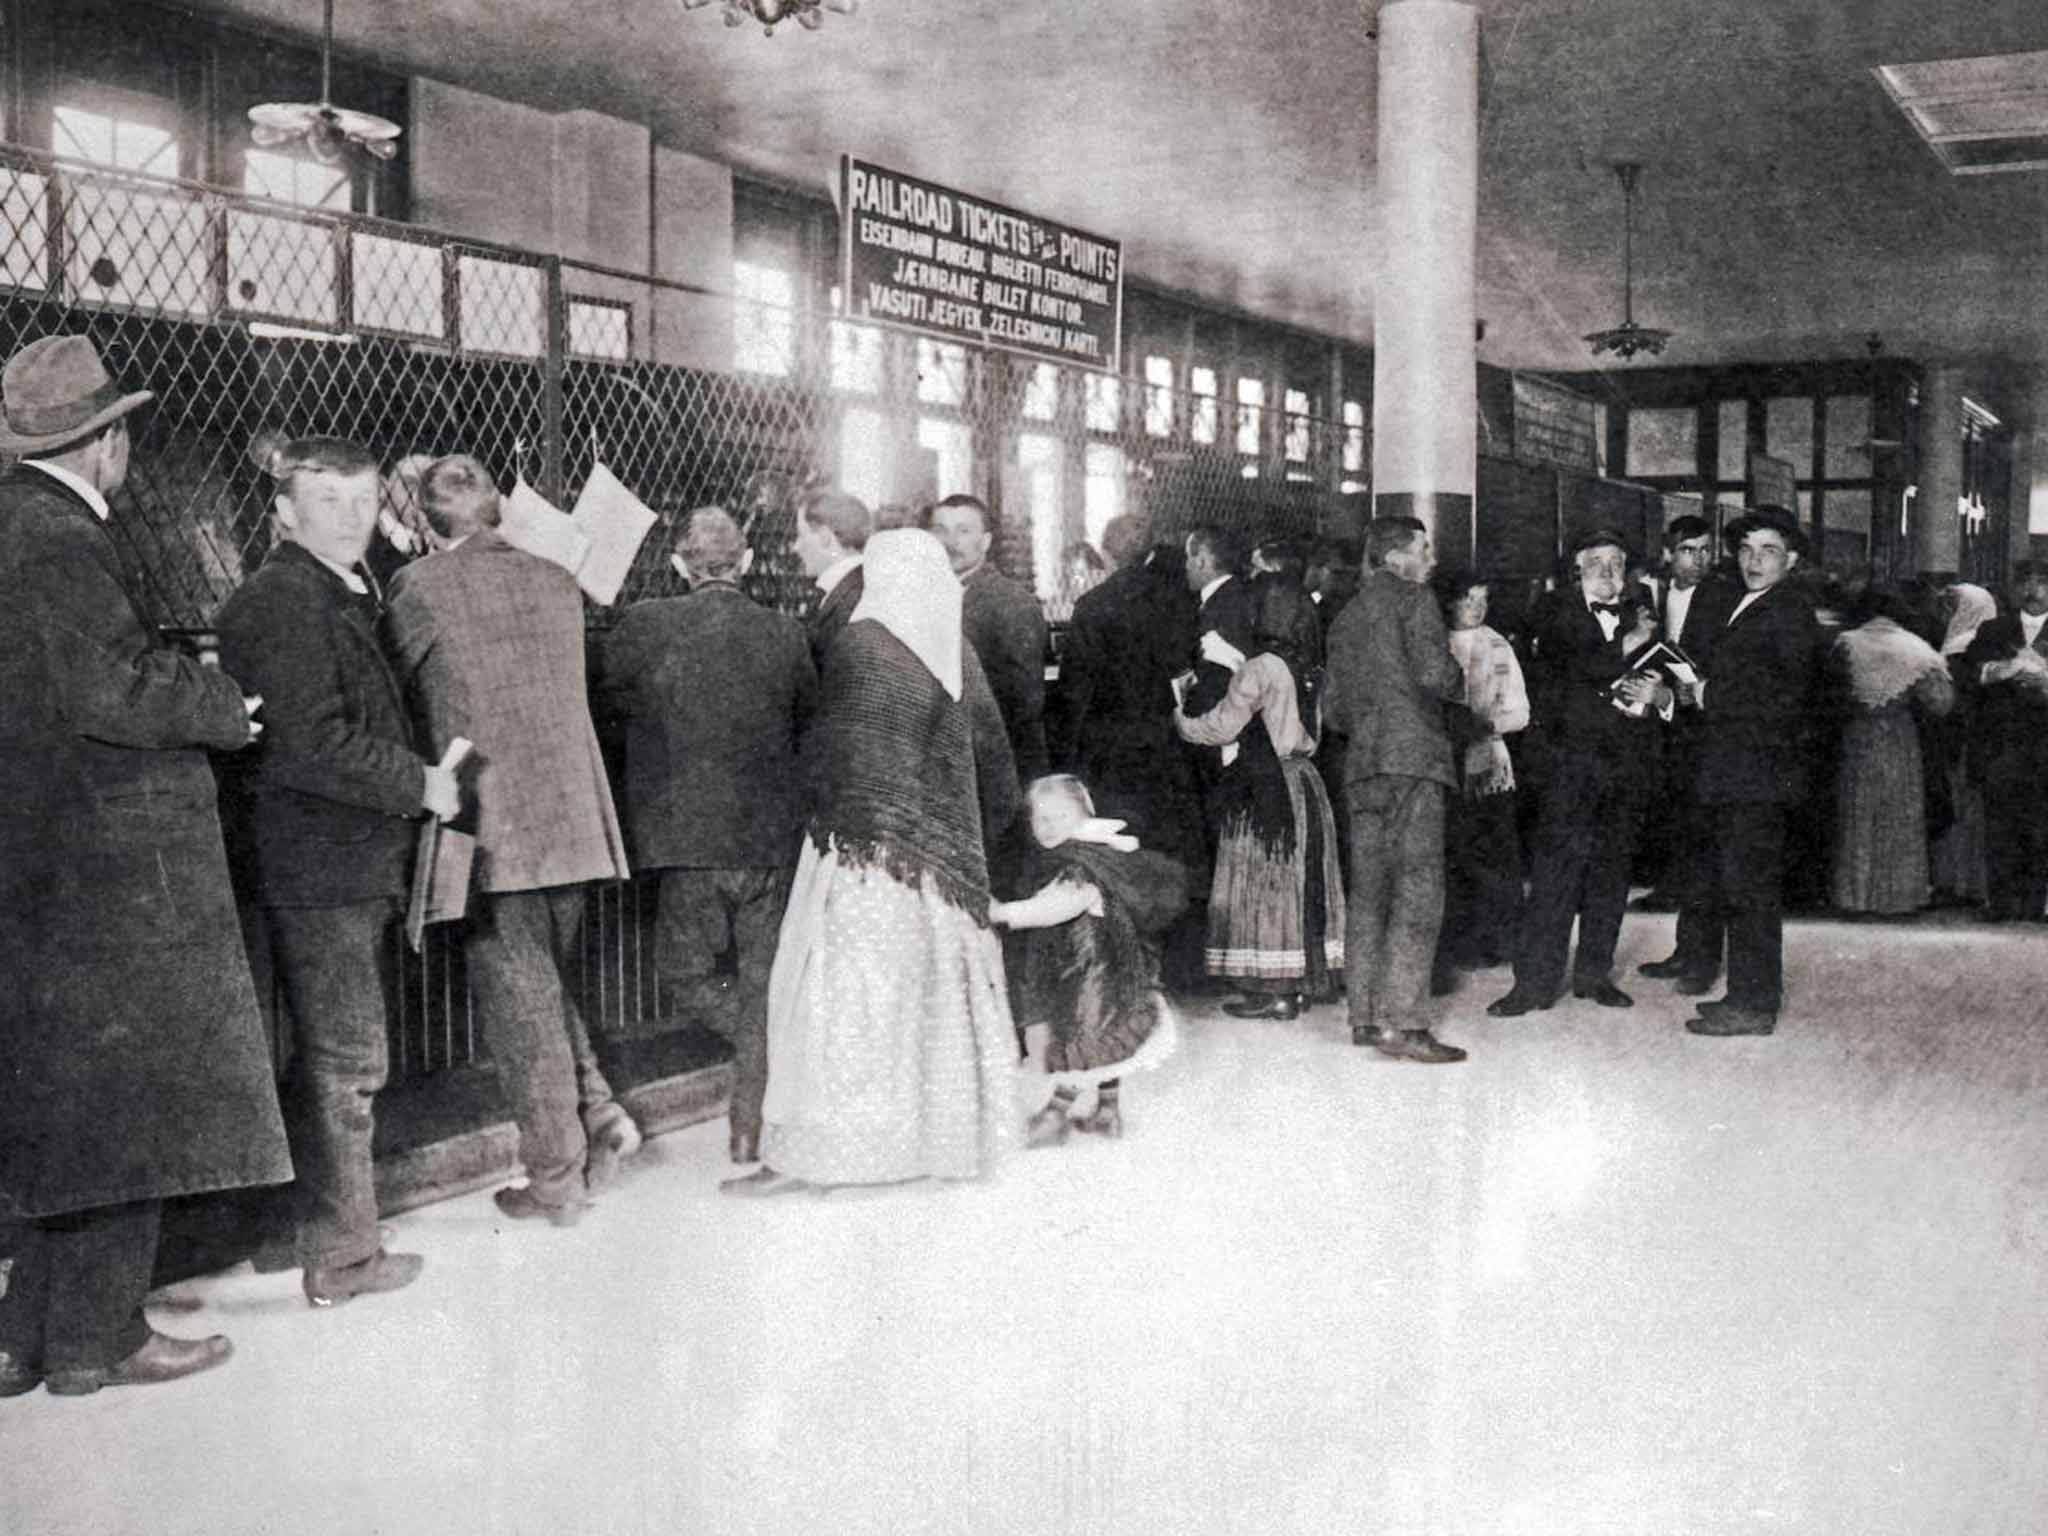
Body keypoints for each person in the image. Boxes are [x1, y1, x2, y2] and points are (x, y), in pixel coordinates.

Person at [0, 335, 291, 1395]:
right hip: (110, 865)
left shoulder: (10, 525)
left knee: (57, 1109)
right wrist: (223, 705)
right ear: (109, 440)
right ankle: (100, 1339)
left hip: (34, 856)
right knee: (138, 1103)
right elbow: (110, 690)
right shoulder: (60, 535)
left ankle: (24, 1336)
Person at [215, 435, 448, 1309]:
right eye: (327, 504)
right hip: (325, 864)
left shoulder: (334, 589)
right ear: (283, 514)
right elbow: (313, 744)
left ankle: (303, 1230)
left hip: (326, 862)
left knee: (317, 1060)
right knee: (348, 1065)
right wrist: (419, 781)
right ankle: (345, 1257)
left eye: (360, 501)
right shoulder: (286, 601)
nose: (350, 521)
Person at [731, 529, 1023, 1197]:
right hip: (939, 872)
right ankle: (927, 1145)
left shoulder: (862, 647)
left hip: (861, 861)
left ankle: (837, 1157)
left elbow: (836, 759)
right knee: (926, 1007)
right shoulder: (957, 653)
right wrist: (956, 837)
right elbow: (997, 773)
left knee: (843, 1006)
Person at [383, 455, 635, 1226]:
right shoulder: (556, 574)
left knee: (518, 1006)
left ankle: (557, 1182)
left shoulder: (419, 586)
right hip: (576, 821)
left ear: (426, 524)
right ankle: (599, 1113)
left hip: (495, 829)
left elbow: (392, 680)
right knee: (543, 984)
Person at [595, 506, 818, 1167]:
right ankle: (749, 1125)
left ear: (676, 565)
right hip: (771, 840)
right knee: (763, 982)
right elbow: (808, 727)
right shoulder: (786, 634)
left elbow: (612, 712)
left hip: (682, 841)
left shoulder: (640, 626)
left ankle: (756, 1068)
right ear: (747, 564)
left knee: (685, 973)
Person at [1657, 510, 1823, 1038]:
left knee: (1751, 891)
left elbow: (1780, 696)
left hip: (1757, 774)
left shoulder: (1789, 610)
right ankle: (1746, 994)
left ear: (1792, 559)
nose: (1754, 561)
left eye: (1769, 551)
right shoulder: (1751, 602)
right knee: (1739, 886)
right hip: (1737, 769)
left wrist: (1703, 692)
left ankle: (1753, 1003)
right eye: (1748, 549)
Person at [1490, 530, 1668, 1017]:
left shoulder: (1641, 607)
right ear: (1577, 568)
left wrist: (1660, 696)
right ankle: (1533, 984)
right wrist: (1629, 644)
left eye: (1616, 563)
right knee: (1554, 877)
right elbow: (1566, 669)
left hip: (1625, 763)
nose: (1609, 573)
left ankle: (1595, 975)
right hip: (1569, 765)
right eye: (1597, 563)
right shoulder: (1552, 608)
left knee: (1611, 875)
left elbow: (1664, 671)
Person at [1324, 516, 1468, 1064]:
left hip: (1363, 763)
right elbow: (1435, 675)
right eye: (1424, 548)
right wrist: (1461, 676)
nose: (1431, 559)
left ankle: (1363, 1016)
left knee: (1369, 893)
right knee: (1418, 891)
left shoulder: (1346, 616)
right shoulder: (1415, 599)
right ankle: (1406, 1025)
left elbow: (1334, 711)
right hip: (1414, 760)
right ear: (1397, 556)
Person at [1174, 580, 1345, 1020]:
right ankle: (1301, 984)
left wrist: (1180, 719)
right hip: (1306, 782)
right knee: (1301, 881)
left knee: (1264, 881)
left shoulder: (1261, 668)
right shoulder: (1313, 669)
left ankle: (1273, 990)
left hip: (1265, 785)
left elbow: (1222, 727)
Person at [992, 776, 1187, 1146]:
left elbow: (1054, 908)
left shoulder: (1078, 866)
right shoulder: (1087, 854)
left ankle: (1056, 1114)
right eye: (1040, 818)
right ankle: (1108, 1112)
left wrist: (1004, 912)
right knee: (1107, 1042)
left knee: (1083, 1041)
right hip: (1100, 968)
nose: (1048, 827)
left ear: (1084, 817)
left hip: (1090, 976)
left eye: (1060, 817)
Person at [1828, 585, 1955, 915]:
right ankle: (1896, 898)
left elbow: (1829, 693)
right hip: (1899, 736)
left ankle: (1854, 896)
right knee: (1898, 815)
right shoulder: (1916, 648)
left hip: (1857, 735)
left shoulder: (1845, 643)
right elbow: (1941, 703)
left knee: (1857, 813)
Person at [1430, 570, 1529, 985]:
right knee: (1451, 856)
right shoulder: (1433, 643)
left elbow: (1521, 712)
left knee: (1493, 857)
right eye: (1468, 599)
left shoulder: (1498, 646)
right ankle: (1455, 943)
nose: (1477, 607)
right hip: (1443, 764)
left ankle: (1497, 941)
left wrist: (1487, 726)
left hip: (1489, 765)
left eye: (1483, 599)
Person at [931, 493, 1050, 782]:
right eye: (940, 531)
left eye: (963, 531)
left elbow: (1025, 705)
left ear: (985, 542)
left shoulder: (1011, 602)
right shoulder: (924, 596)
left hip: (995, 768)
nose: (950, 542)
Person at [1960, 561, 2048, 922]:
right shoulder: (1994, 628)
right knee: (2000, 825)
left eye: (2042, 582)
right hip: (2003, 741)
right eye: (2026, 581)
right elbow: (1967, 672)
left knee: (2043, 826)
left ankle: (2036, 903)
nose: (2033, 589)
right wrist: (1998, 671)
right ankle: (2002, 903)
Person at [1930, 582, 2000, 908]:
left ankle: (1956, 882)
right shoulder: (1995, 642)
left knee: (1962, 809)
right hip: (1982, 738)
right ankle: (1974, 882)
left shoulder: (1959, 647)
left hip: (1963, 738)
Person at [793, 487, 872, 670]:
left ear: (824, 536)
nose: (796, 547)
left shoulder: (855, 595)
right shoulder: (856, 585)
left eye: (801, 535)